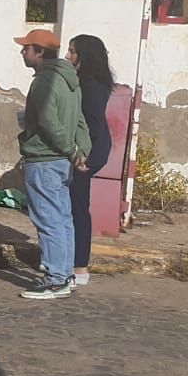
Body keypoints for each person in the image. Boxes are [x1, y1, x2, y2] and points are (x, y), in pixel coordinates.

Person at [14, 29, 92, 299]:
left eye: (27, 48)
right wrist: (82, 152)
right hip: (61, 161)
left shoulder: (45, 81)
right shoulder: (70, 80)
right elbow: (80, 121)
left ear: (40, 51)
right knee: (63, 219)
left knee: (48, 220)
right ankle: (65, 273)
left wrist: (72, 151)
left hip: (45, 159)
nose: (22, 52)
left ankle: (56, 278)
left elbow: (48, 121)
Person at [67, 34, 114, 288]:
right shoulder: (85, 81)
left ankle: (79, 265)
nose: (68, 56)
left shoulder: (92, 85)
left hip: (89, 153)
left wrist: (86, 157)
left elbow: (93, 124)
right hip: (85, 151)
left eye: (72, 52)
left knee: (78, 207)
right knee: (72, 205)